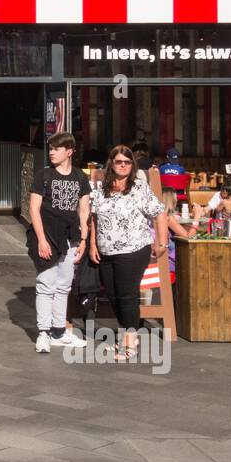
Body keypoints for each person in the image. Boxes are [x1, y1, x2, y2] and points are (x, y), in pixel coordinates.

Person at [90, 144, 166, 362]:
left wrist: (161, 241)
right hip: (106, 249)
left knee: (127, 295)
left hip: (133, 249)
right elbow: (94, 217)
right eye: (118, 161)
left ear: (132, 165)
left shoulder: (139, 187)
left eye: (127, 162)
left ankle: (129, 343)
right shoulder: (102, 187)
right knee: (113, 295)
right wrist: (93, 244)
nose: (122, 165)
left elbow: (159, 212)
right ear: (111, 163)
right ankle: (127, 334)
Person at [28, 132, 91, 354]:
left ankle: (59, 332)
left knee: (63, 286)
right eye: (51, 148)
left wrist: (84, 239)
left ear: (70, 151)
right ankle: (43, 333)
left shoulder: (80, 178)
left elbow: (84, 210)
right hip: (47, 235)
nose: (52, 152)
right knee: (46, 284)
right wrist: (41, 239)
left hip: (71, 236)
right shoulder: (43, 175)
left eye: (57, 148)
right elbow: (33, 209)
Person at [158, 188, 196, 274]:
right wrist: (196, 217)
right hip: (170, 262)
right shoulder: (168, 217)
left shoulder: (158, 214)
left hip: (162, 258)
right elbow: (189, 236)